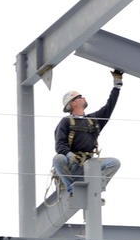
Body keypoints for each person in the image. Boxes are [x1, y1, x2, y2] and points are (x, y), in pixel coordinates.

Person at [52, 69, 123, 201]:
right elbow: (60, 145)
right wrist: (70, 155)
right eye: (80, 97)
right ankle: (72, 190)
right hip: (72, 166)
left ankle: (96, 189)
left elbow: (109, 107)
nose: (83, 97)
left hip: (89, 164)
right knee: (58, 159)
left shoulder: (93, 120)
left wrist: (117, 85)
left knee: (114, 163)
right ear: (73, 103)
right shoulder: (66, 122)